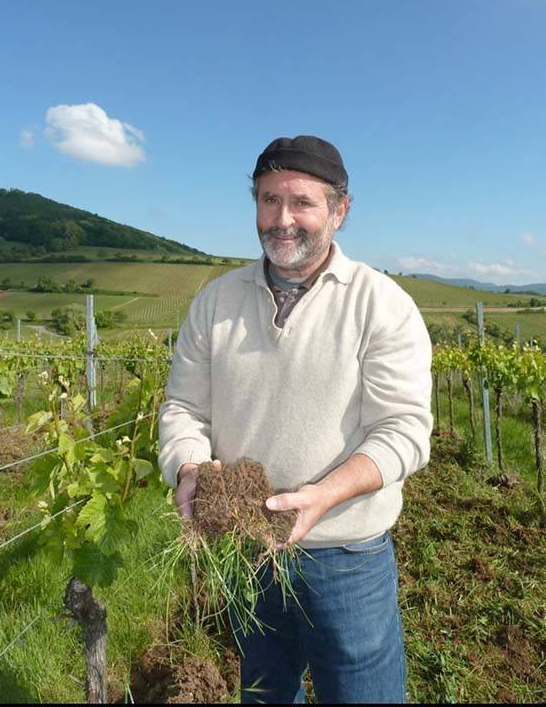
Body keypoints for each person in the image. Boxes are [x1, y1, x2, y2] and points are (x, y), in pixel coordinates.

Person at [158, 135, 433, 704]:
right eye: (269, 200)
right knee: (264, 691)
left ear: (340, 210)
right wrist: (187, 468)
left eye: (301, 202)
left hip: (346, 554)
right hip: (247, 547)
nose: (282, 219)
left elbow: (404, 429)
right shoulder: (216, 301)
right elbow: (184, 407)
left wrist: (323, 496)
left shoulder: (381, 304)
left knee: (362, 694)